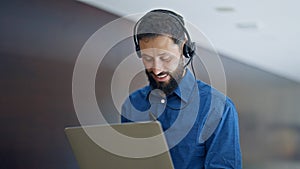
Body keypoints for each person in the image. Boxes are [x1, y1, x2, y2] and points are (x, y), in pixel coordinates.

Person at [121, 9, 242, 169]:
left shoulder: (218, 107)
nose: (157, 69)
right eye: (147, 58)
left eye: (165, 58)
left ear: (184, 48)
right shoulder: (132, 104)